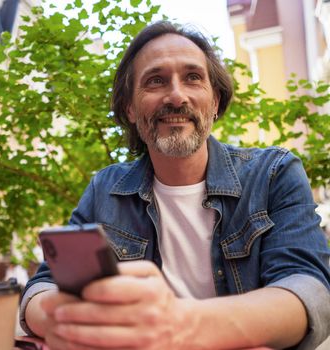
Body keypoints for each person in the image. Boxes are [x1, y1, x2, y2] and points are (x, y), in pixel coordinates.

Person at [19, 21, 330, 350]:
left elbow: (310, 291)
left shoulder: (274, 173)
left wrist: (181, 324)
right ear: (130, 108)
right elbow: (42, 288)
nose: (177, 96)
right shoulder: (104, 188)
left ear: (214, 101)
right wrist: (64, 319)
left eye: (193, 78)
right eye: (155, 81)